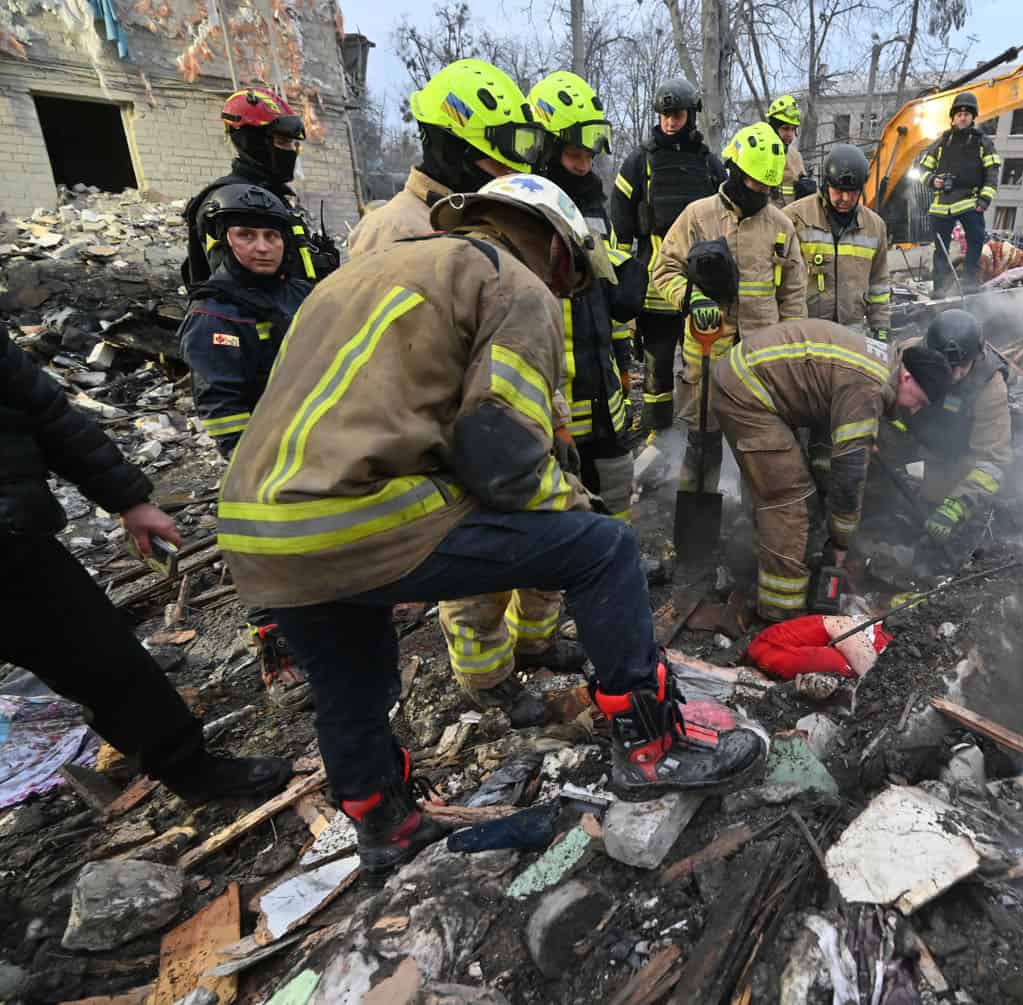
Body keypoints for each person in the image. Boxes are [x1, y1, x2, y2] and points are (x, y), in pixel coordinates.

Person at [216, 174, 767, 872]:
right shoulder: (513, 279)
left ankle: (383, 822)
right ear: (558, 250)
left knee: (351, 680)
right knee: (604, 548)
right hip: (358, 511)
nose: (568, 294)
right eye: (572, 279)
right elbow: (497, 444)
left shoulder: (358, 273)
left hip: (257, 534)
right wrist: (577, 511)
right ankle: (651, 747)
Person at [340, 61, 578, 711]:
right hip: (445, 429)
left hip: (502, 411)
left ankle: (534, 643)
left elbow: (512, 333)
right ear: (457, 146)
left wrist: (551, 418)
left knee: (545, 534)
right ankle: (487, 680)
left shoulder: (484, 219)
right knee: (480, 565)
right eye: (498, 155)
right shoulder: (395, 229)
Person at [0, 329, 292, 804]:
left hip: (14, 543)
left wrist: (128, 500)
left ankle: (191, 770)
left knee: (103, 656)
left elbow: (47, 412)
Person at [708, 313, 952, 622]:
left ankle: (762, 556)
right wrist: (839, 544)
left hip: (751, 377)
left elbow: (827, 447)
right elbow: (849, 479)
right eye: (920, 400)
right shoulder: (870, 389)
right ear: (907, 378)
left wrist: (824, 500)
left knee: (785, 482)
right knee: (789, 500)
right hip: (746, 392)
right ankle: (781, 612)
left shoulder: (882, 363)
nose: (914, 410)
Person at [178, 183, 314, 708]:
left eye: (271, 236)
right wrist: (256, 467)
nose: (262, 246)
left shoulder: (302, 294)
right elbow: (223, 407)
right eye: (246, 235)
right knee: (265, 553)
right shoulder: (216, 316)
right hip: (264, 460)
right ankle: (277, 650)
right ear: (221, 241)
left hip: (319, 446)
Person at [652, 121, 807, 498]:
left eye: (767, 187)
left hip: (760, 357)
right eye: (754, 183)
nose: (760, 192)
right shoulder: (698, 216)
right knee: (702, 445)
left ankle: (752, 523)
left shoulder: (781, 226)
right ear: (735, 170)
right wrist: (691, 298)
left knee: (757, 446)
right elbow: (663, 269)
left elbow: (794, 293)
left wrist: (789, 351)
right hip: (706, 354)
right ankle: (695, 526)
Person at [528, 70, 648, 522]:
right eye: (574, 155)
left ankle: (622, 562)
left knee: (617, 489)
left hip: (605, 386)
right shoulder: (526, 211)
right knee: (566, 507)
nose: (583, 166)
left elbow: (609, 283)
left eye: (589, 155)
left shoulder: (596, 207)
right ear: (546, 148)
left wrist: (624, 356)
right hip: (558, 397)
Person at [609, 78, 726, 434]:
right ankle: (657, 435)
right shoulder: (638, 163)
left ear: (690, 115)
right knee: (657, 367)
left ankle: (701, 432)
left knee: (701, 366)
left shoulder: (710, 165)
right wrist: (620, 284)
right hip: (655, 287)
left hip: (701, 289)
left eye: (676, 114)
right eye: (664, 115)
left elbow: (728, 218)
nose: (670, 122)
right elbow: (620, 224)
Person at [346, 59, 544, 257]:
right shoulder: (388, 232)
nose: (507, 180)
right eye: (498, 164)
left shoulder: (496, 224)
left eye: (514, 170)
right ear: (451, 152)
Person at [182, 88, 340, 286]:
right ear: (253, 141)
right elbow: (244, 288)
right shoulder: (237, 201)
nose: (291, 152)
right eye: (283, 142)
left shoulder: (269, 196)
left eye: (292, 144)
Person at [880, 310, 1012, 546]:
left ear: (976, 357)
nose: (952, 375)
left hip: (955, 459)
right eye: (944, 365)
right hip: (910, 439)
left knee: (936, 507)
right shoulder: (908, 354)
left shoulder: (990, 387)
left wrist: (957, 506)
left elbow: (993, 461)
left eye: (961, 366)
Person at [783, 143, 891, 338]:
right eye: (839, 190)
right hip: (806, 331)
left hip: (851, 332)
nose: (846, 198)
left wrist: (881, 327)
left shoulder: (875, 227)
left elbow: (879, 283)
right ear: (826, 184)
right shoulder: (794, 218)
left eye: (853, 192)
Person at [918, 92, 1000, 294]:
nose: (962, 117)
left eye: (967, 113)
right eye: (959, 113)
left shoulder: (983, 142)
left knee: (975, 241)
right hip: (941, 205)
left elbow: (992, 171)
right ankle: (940, 288)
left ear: (973, 117)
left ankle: (970, 283)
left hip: (970, 203)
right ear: (953, 117)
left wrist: (985, 199)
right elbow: (922, 169)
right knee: (941, 250)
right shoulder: (942, 142)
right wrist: (932, 180)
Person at [766, 94, 813, 209]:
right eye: (785, 128)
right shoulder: (761, 152)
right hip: (765, 220)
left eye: (793, 129)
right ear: (773, 128)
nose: (790, 134)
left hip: (791, 218)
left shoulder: (795, 155)